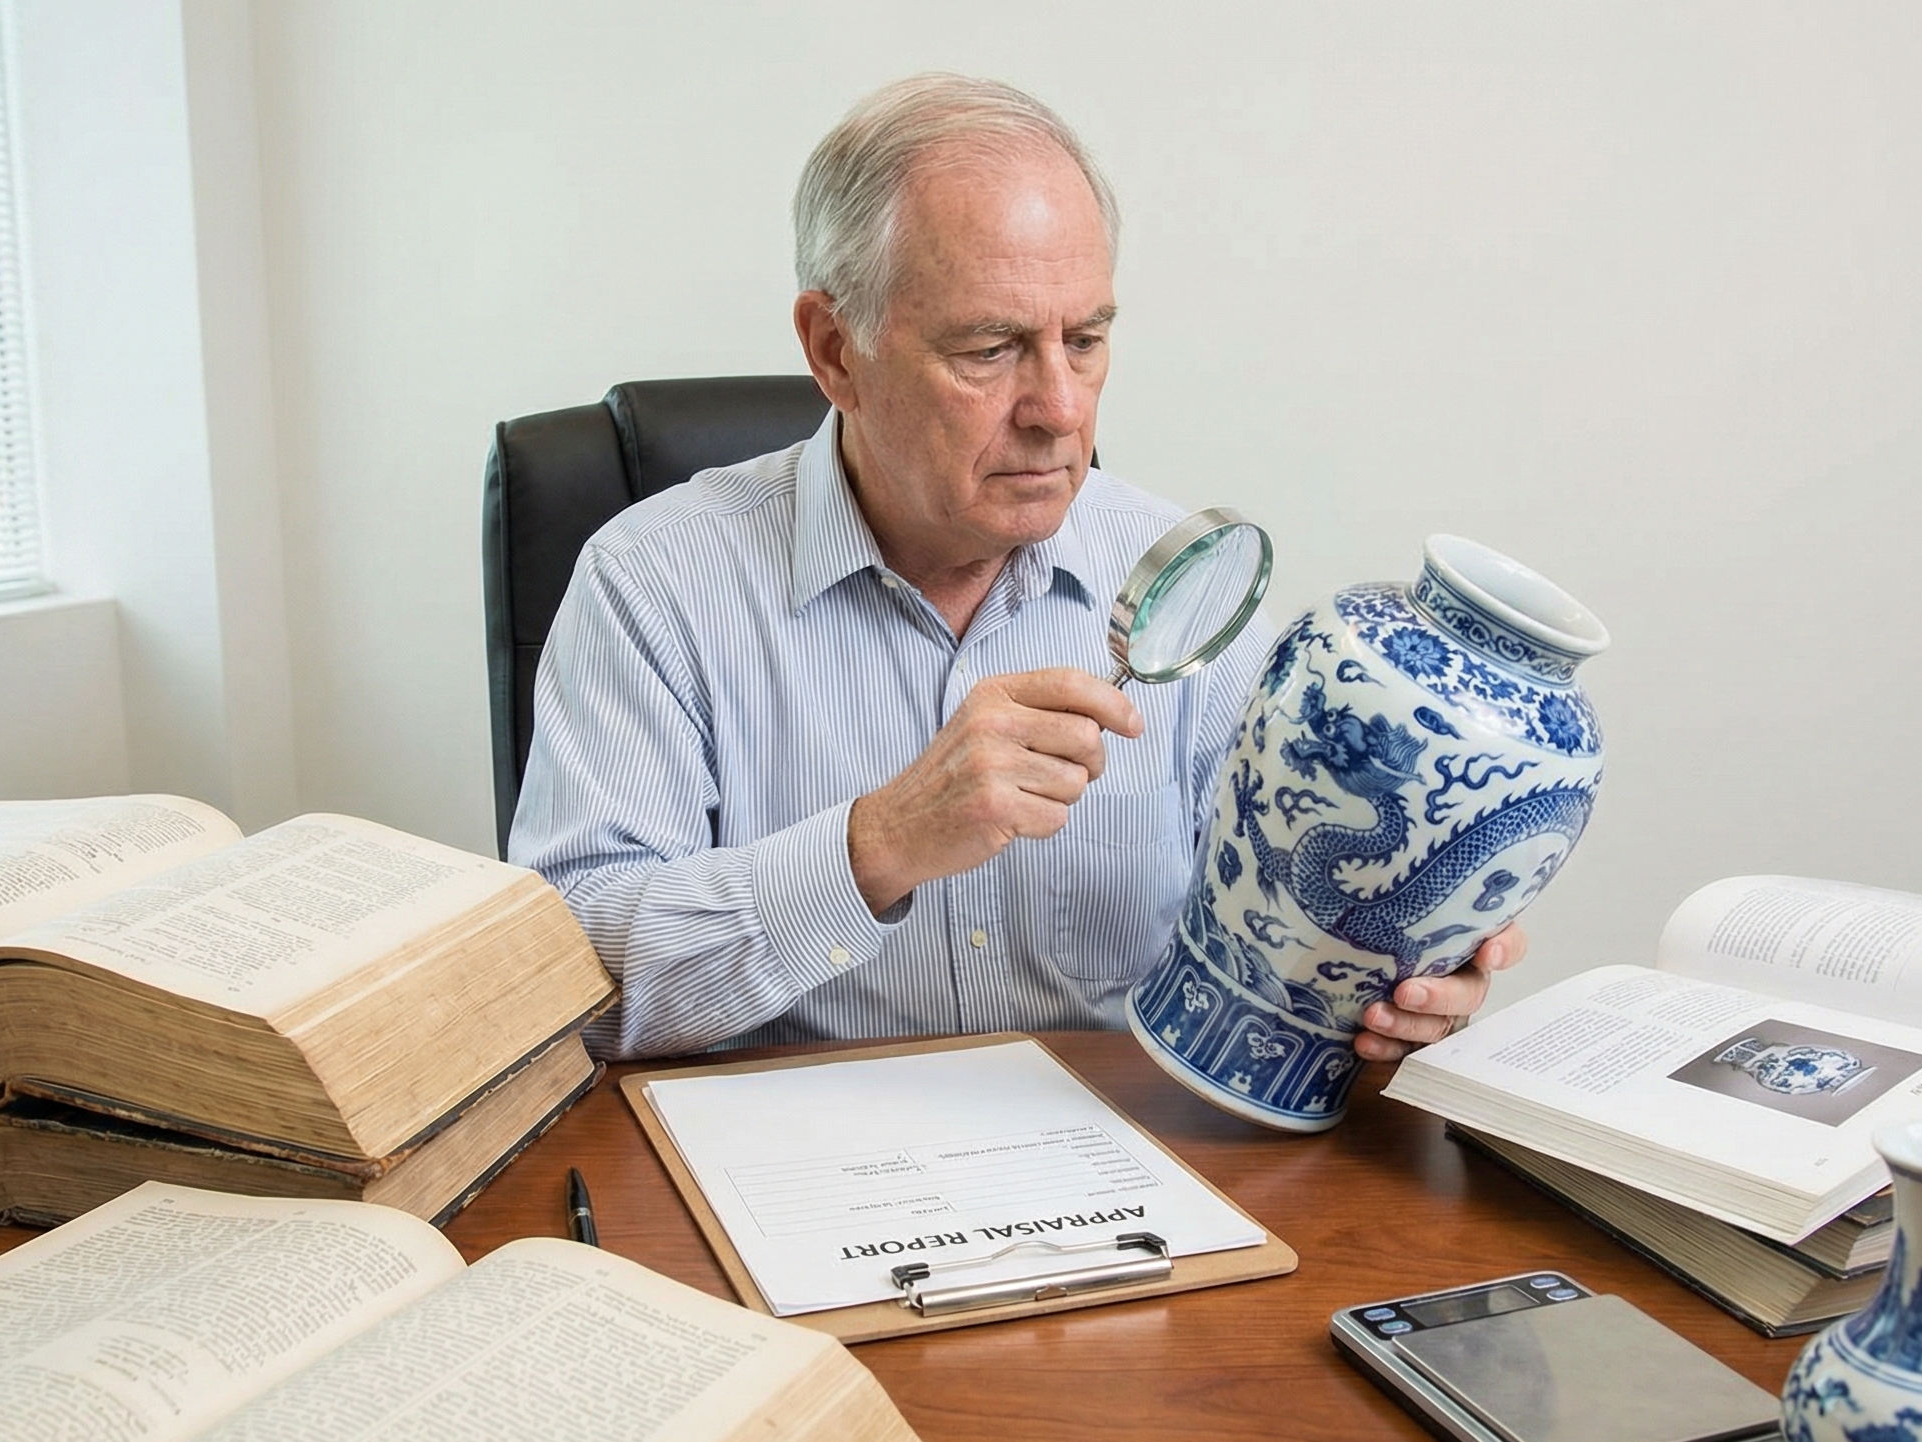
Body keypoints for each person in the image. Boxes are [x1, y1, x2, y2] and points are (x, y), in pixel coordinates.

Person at [510, 73, 1523, 1061]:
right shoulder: (653, 584)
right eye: (990, 349)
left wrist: (1397, 986)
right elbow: (562, 992)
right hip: (784, 1176)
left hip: (1127, 1165)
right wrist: (877, 846)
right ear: (833, 350)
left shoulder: (1186, 588)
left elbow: (1287, 933)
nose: (1062, 410)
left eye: (1084, 340)